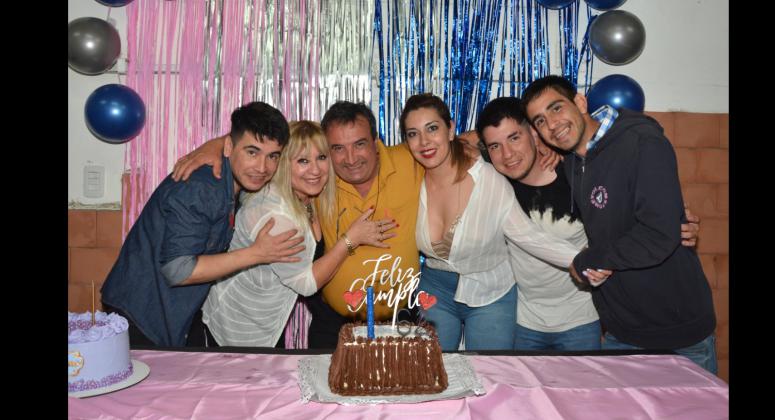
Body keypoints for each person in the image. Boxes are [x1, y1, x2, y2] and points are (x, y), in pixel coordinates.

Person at [172, 102, 425, 349]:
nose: (349, 159)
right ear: (285, 163)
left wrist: (465, 140)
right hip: (243, 329)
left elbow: (445, 145)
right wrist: (351, 239)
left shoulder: (397, 162)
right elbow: (305, 281)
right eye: (303, 161)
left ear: (376, 143)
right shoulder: (277, 214)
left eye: (359, 144)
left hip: (395, 319)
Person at [520, 75, 717, 373]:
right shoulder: (573, 163)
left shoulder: (643, 142)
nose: (552, 125)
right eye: (540, 121)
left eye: (557, 108)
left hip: (680, 332)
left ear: (580, 102)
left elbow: (658, 236)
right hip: (621, 333)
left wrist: (589, 259)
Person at [475, 96, 701, 351]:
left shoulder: (574, 172)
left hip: (582, 320)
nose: (507, 154)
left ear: (534, 134)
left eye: (515, 138)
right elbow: (457, 147)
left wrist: (674, 219)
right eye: (495, 146)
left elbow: (630, 212)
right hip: (525, 321)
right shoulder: (496, 185)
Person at [399, 93, 608, 351]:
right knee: (428, 371)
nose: (424, 141)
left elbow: (528, 236)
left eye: (432, 128)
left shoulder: (488, 178)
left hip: (492, 291)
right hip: (434, 289)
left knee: (491, 372)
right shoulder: (409, 179)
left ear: (450, 128)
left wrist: (588, 262)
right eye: (412, 134)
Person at [101, 102, 304, 347]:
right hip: (140, 313)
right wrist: (256, 253)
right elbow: (179, 270)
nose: (262, 167)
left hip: (177, 311)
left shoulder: (235, 182)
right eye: (252, 152)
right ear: (229, 147)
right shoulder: (202, 188)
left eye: (272, 156)